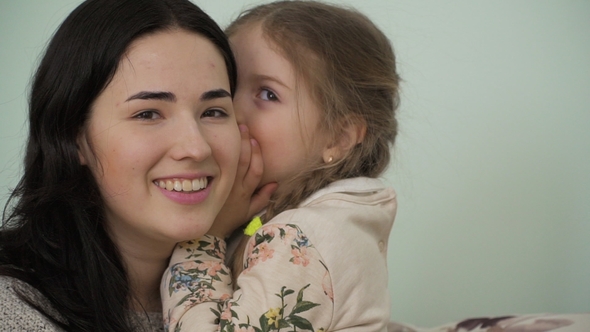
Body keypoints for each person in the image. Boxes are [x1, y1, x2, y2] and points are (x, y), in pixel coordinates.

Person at [0, 0, 259, 330]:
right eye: (147, 114)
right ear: (73, 136)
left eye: (213, 112)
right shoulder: (13, 311)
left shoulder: (265, 286)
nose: (196, 147)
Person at [161, 1, 400, 331]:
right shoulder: (317, 221)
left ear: (339, 138)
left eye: (268, 94)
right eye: (230, 87)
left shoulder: (302, 236)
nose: (232, 110)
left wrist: (206, 237)